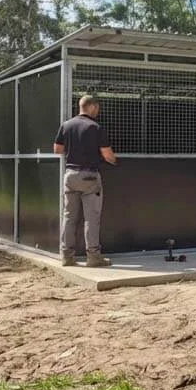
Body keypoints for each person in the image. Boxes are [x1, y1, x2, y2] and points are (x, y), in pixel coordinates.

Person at [53, 95, 117, 267]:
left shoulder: (66, 125)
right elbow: (108, 155)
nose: (98, 111)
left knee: (68, 217)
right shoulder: (95, 127)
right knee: (91, 218)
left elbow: (57, 149)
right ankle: (94, 257)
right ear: (92, 107)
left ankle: (67, 256)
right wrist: (114, 161)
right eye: (98, 107)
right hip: (89, 177)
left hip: (70, 176)